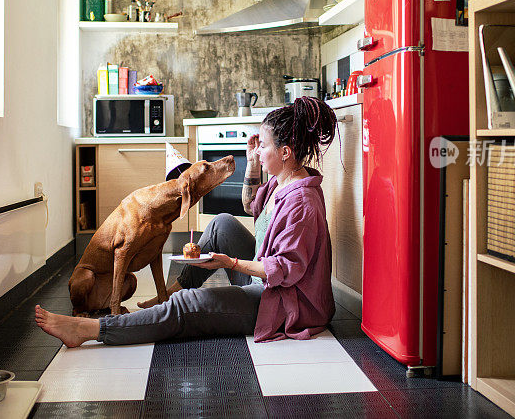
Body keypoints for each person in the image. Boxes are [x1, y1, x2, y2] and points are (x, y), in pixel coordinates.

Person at [36, 96, 338, 347]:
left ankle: (90, 330)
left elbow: (282, 271)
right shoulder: (281, 180)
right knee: (221, 222)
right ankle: (173, 289)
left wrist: (229, 263)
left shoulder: (302, 203)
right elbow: (250, 205)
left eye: (264, 146)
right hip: (268, 280)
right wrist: (254, 163)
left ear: (285, 152)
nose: (258, 149)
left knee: (190, 306)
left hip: (284, 302)